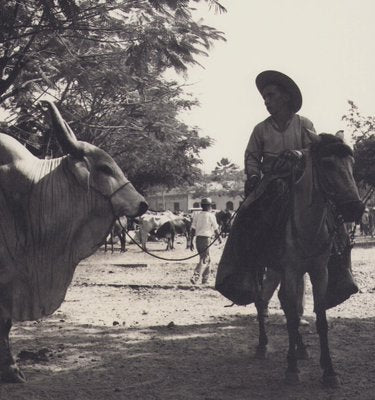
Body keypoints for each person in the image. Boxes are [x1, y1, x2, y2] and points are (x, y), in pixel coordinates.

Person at [244, 70, 318, 325]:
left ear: (285, 97)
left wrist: (300, 154)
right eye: (264, 96)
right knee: (249, 218)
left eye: (271, 95)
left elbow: (315, 149)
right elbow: (252, 156)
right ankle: (247, 260)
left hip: (300, 182)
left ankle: (337, 255)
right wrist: (253, 175)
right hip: (272, 184)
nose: (266, 100)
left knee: (329, 211)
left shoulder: (304, 124)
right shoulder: (260, 129)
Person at [190, 198, 222, 285]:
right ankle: (195, 276)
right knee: (205, 259)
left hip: (198, 239)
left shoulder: (197, 215)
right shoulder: (211, 216)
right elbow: (216, 229)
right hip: (206, 239)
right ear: (209, 206)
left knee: (206, 259)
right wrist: (220, 239)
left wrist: (190, 242)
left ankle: (205, 279)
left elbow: (192, 229)